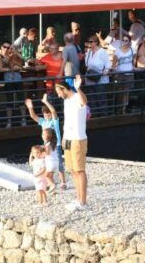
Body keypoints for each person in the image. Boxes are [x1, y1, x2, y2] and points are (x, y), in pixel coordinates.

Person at [55, 76, 88, 212]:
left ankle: (83, 201)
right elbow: (67, 121)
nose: (58, 95)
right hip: (68, 139)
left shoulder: (76, 98)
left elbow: (84, 102)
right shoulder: (66, 101)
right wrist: (63, 138)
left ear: (64, 89)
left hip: (78, 139)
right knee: (73, 170)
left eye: (59, 91)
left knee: (80, 170)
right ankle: (78, 198)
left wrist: (78, 88)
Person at [25, 93, 66, 190]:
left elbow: (54, 111)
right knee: (47, 164)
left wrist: (46, 102)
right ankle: (51, 183)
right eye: (45, 113)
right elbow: (33, 116)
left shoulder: (54, 121)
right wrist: (30, 107)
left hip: (57, 145)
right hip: (47, 146)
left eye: (48, 113)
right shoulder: (43, 121)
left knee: (59, 163)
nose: (47, 114)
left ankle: (63, 182)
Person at [0, 42, 24, 127]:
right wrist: (12, 68)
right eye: (5, 47)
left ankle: (23, 119)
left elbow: (21, 64)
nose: (7, 49)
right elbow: (1, 69)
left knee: (21, 100)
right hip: (8, 80)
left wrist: (15, 53)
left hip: (18, 79)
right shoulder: (0, 56)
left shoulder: (14, 55)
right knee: (9, 100)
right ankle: (9, 121)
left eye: (9, 47)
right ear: (1, 47)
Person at [83, 35, 110, 116]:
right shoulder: (88, 52)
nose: (89, 44)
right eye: (88, 42)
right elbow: (87, 65)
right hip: (90, 79)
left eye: (91, 42)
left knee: (101, 99)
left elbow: (108, 65)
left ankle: (104, 116)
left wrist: (106, 71)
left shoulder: (102, 52)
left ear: (96, 42)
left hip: (100, 80)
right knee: (92, 99)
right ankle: (94, 116)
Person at [112, 35, 135, 114]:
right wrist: (114, 70)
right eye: (123, 40)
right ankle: (119, 109)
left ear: (129, 42)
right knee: (120, 92)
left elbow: (134, 62)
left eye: (126, 41)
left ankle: (124, 109)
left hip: (129, 74)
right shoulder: (118, 50)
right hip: (120, 74)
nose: (124, 42)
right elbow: (114, 62)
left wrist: (134, 67)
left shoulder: (132, 50)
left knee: (126, 92)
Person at [43, 127, 62, 193]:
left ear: (49, 136)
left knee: (46, 175)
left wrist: (41, 154)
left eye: (44, 134)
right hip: (55, 162)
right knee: (50, 176)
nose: (42, 136)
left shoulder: (47, 144)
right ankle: (53, 190)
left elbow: (47, 153)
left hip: (50, 162)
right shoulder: (53, 143)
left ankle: (52, 185)